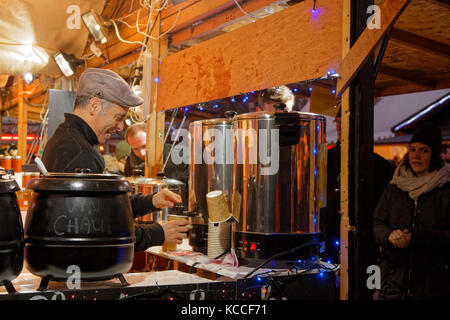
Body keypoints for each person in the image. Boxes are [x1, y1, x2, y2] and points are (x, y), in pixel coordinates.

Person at [41, 68, 189, 252]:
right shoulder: (81, 153)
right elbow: (101, 230)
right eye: (118, 117)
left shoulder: (66, 138)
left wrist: (151, 201)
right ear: (94, 106)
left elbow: (106, 207)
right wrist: (158, 233)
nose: (120, 127)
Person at [373, 124, 450, 299]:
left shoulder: (446, 189)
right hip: (393, 286)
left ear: (435, 155)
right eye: (413, 149)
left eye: (424, 151)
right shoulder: (395, 186)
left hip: (432, 286)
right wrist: (389, 236)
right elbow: (376, 224)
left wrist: (415, 238)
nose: (416, 155)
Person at [324, 104, 394, 263]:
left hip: (365, 238)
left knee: (366, 280)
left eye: (344, 121)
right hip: (330, 236)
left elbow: (384, 205)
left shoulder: (379, 164)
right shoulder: (325, 160)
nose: (340, 126)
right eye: (338, 121)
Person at [124, 122, 189, 204]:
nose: (142, 153)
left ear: (153, 139)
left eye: (145, 146)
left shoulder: (176, 156)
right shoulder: (130, 162)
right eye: (135, 149)